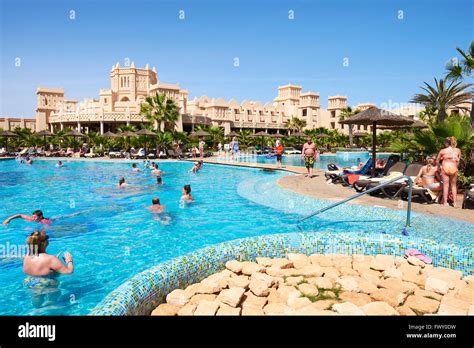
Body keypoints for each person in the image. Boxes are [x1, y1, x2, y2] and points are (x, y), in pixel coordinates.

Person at [436, 137, 462, 207]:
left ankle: (445, 203)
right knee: (453, 185)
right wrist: (455, 167)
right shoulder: (458, 150)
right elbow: (458, 161)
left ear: (446, 143)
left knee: (446, 185)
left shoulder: (443, 151)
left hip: (445, 166)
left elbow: (437, 161)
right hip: (453, 166)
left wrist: (440, 167)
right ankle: (455, 203)